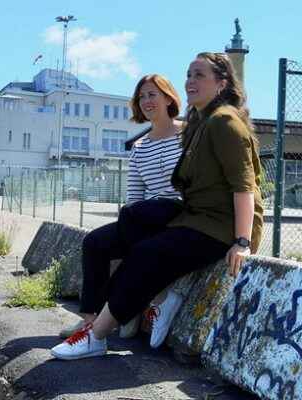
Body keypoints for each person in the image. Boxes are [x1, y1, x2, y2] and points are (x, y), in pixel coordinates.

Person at [51, 52, 264, 360]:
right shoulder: (200, 124)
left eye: (199, 75)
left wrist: (242, 241)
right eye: (188, 74)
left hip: (221, 226)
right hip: (196, 220)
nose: (190, 81)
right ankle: (111, 319)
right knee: (128, 246)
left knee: (146, 253)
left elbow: (244, 186)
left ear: (222, 83)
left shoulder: (224, 122)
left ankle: (97, 335)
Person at [58, 74, 185, 348]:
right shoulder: (140, 147)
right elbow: (134, 197)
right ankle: (91, 319)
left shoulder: (188, 136)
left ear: (168, 97)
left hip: (180, 211)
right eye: (142, 97)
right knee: (95, 242)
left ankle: (122, 309)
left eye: (153, 94)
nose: (147, 101)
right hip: (146, 215)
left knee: (141, 223)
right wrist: (132, 216)